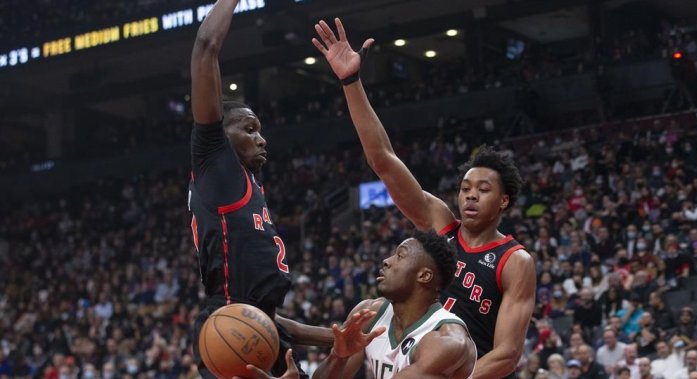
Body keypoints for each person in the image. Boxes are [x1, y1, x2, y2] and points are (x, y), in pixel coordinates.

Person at [312, 17, 536, 379]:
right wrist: (351, 82)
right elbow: (383, 161)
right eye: (465, 188)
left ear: (504, 201)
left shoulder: (513, 260)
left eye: (483, 189)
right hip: (411, 360)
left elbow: (507, 355)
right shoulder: (440, 224)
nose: (470, 196)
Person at [188, 1, 332, 377]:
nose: (262, 139)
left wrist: (341, 337)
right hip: (232, 323)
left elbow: (270, 320)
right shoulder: (216, 163)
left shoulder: (249, 183)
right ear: (221, 134)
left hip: (254, 325)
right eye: (250, 129)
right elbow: (206, 48)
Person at [249, 232, 477, 379]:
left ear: (424, 276)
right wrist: (338, 357)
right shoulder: (371, 313)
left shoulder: (446, 340)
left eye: (400, 256)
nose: (387, 261)